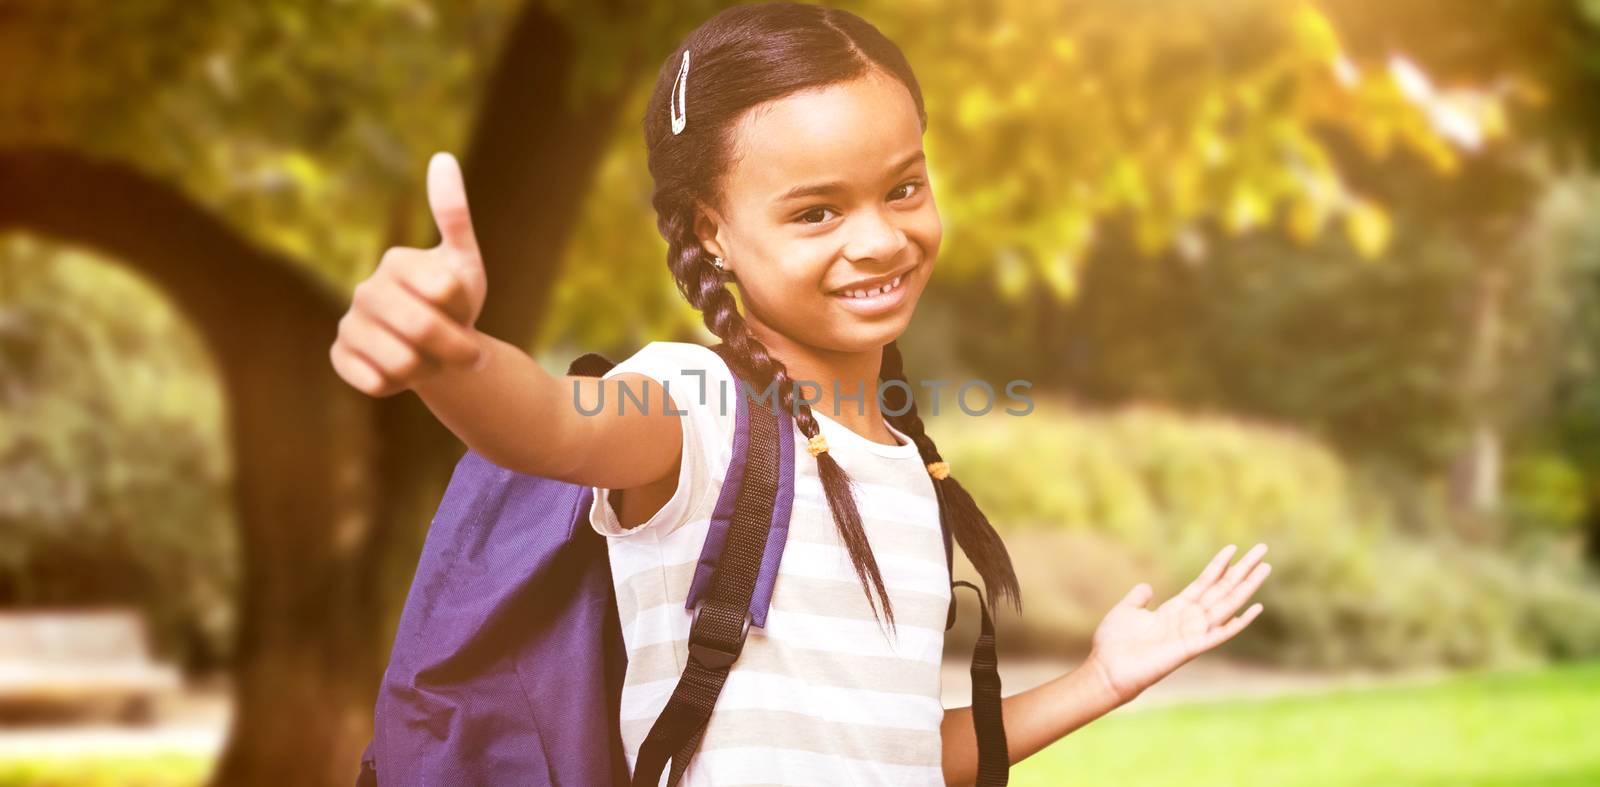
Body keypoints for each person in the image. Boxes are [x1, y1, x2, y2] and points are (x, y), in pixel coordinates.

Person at [329, 3, 1272, 785]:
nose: (879, 240)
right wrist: (449, 360)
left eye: (903, 188)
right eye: (816, 211)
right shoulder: (698, 404)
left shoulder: (907, 464)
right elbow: (551, 429)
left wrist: (1100, 678)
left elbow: (897, 753)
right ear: (713, 236)